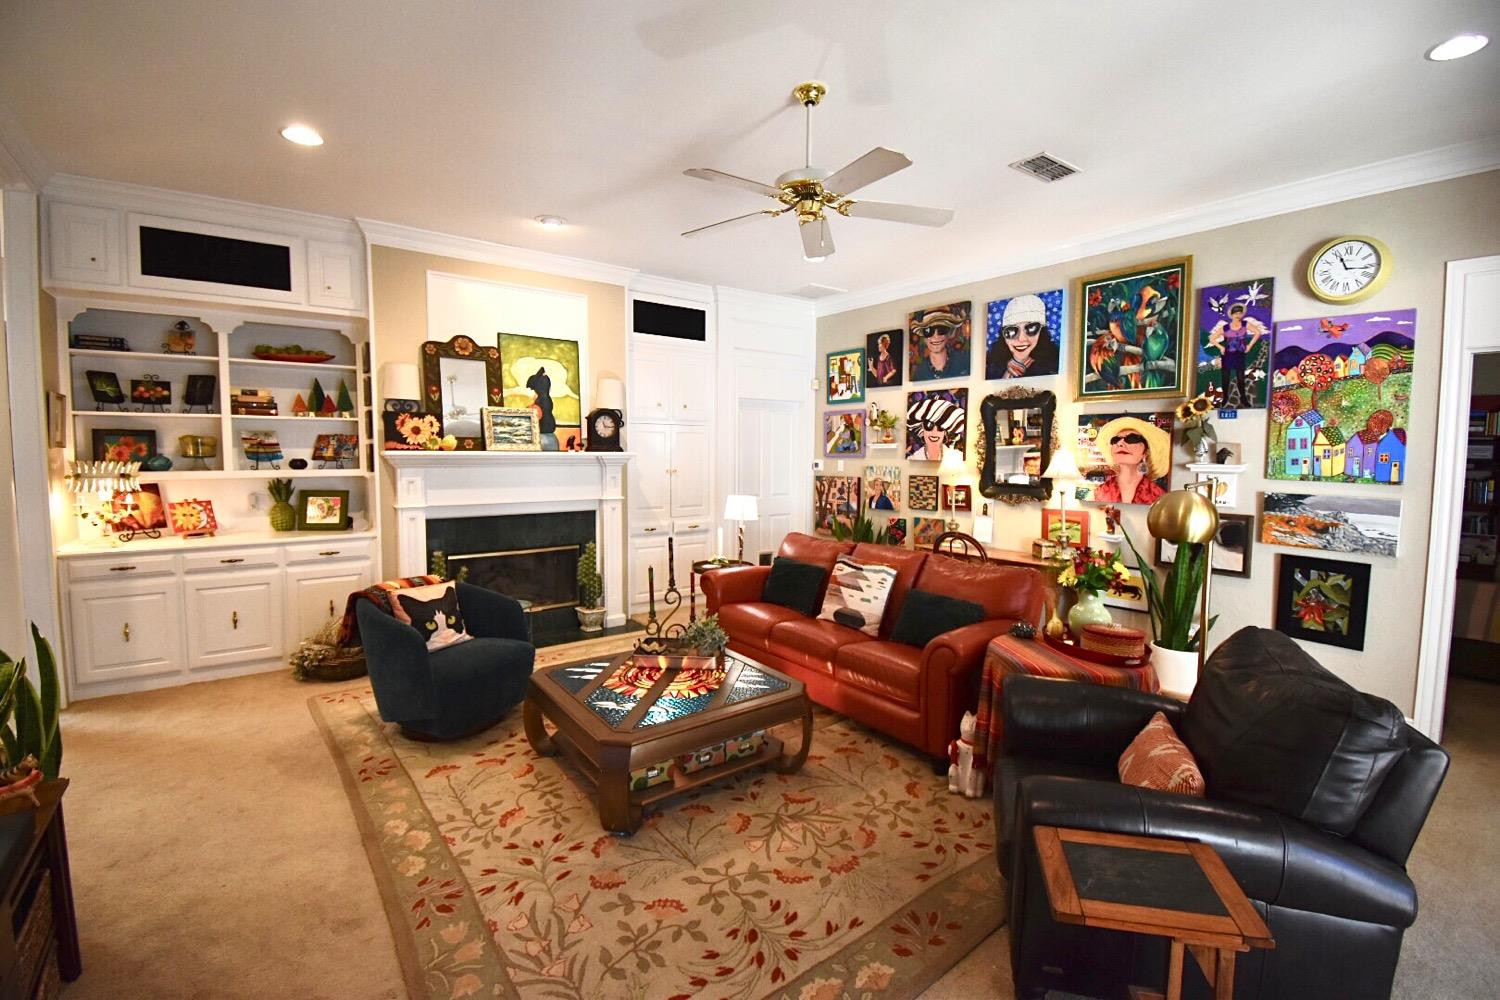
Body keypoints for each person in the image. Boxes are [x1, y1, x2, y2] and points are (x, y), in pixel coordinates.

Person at [1091, 416, 1170, 504]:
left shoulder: (1157, 495)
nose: (1120, 443)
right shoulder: (1099, 492)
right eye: (1115, 440)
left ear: (1146, 452)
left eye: (1131, 439)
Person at [986, 294, 1060, 380]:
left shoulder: (1052, 367)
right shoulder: (992, 368)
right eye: (1011, 331)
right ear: (1003, 335)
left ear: (1041, 331)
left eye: (1031, 328)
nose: (1021, 339)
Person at [1206, 302, 1266, 406]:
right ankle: (1225, 398)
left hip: (1240, 354)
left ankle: (1243, 398)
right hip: (1228, 354)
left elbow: (1258, 332)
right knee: (1226, 377)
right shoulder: (1225, 327)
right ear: (1232, 315)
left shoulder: (1245, 324)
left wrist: (1249, 346)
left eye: (1240, 313)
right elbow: (1212, 338)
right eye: (1236, 313)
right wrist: (1220, 347)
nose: (1238, 315)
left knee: (1240, 377)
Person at [911, 310, 970, 380]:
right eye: (928, 331)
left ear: (949, 334)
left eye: (942, 330)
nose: (936, 336)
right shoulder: (919, 371)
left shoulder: (964, 360)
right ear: (924, 337)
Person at [906, 395, 965, 463]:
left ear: (945, 432)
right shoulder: (914, 459)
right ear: (921, 427)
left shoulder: (957, 458)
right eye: (929, 426)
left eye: (940, 427)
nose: (934, 432)